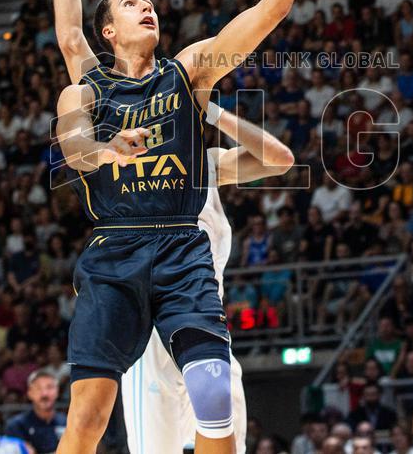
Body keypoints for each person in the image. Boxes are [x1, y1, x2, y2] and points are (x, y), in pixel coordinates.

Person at [34, 0, 317, 454]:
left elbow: (269, 12)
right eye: (131, 4)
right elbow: (75, 142)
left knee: (216, 403)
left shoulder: (188, 73)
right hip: (117, 249)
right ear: (108, 31)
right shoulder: (87, 86)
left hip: (183, 246)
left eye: (148, 0)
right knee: (85, 420)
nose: (147, 5)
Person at [121, 106, 294, 454]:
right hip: (153, 335)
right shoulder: (123, 171)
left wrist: (213, 112)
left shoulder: (208, 164)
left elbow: (280, 159)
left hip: (207, 329)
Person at [4, 369, 66, 454]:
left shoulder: (68, 423)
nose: (44, 394)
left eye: (49, 387)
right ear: (29, 393)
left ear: (57, 391)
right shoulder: (16, 426)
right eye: (38, 388)